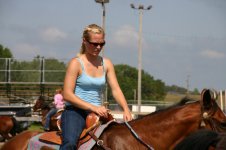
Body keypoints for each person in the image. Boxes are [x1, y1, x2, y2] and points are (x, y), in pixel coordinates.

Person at [60, 24, 132, 150]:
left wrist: (126, 109)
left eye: (102, 44)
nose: (98, 47)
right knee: (70, 143)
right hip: (75, 112)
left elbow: (116, 89)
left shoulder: (107, 64)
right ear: (84, 41)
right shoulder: (75, 63)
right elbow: (67, 94)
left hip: (99, 114)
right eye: (94, 44)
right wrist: (93, 107)